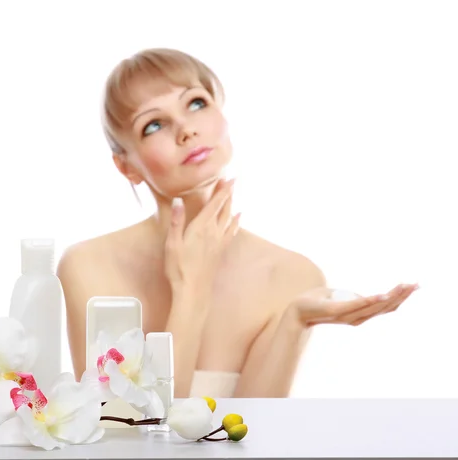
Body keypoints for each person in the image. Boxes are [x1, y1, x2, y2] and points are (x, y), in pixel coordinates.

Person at [57, 48, 418, 398]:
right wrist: (190, 291)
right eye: (154, 125)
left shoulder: (294, 276)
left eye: (196, 103)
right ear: (127, 166)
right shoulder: (89, 267)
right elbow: (139, 435)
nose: (186, 130)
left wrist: (295, 320)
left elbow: (250, 438)